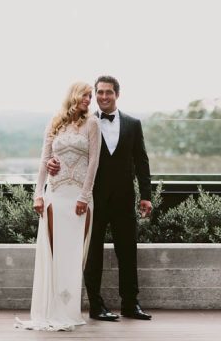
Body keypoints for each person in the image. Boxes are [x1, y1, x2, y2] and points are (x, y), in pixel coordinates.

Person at [47, 75, 153, 321]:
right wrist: (54, 163)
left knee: (128, 251)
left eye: (109, 92)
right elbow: (65, 149)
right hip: (92, 199)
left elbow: (142, 161)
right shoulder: (85, 123)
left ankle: (130, 304)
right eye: (100, 93)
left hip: (125, 198)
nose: (104, 97)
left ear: (117, 94)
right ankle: (96, 306)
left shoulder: (133, 124)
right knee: (92, 253)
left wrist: (145, 196)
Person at [15, 82, 101, 331]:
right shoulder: (55, 122)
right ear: (74, 95)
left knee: (73, 256)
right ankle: (50, 310)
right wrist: (37, 194)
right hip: (55, 194)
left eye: (90, 96)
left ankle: (68, 310)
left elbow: (94, 161)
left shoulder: (92, 123)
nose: (89, 99)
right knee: (53, 253)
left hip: (78, 197)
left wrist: (85, 196)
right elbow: (44, 159)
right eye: (86, 95)